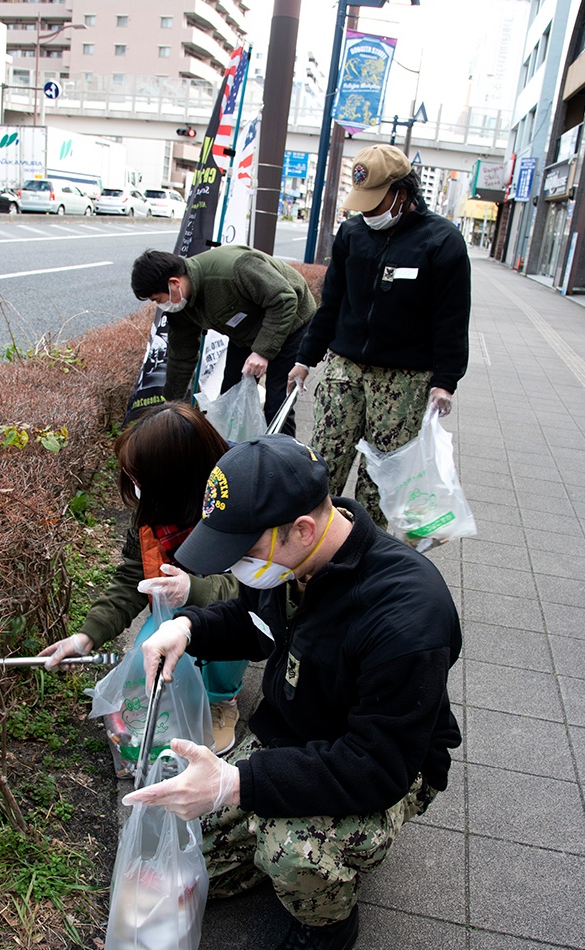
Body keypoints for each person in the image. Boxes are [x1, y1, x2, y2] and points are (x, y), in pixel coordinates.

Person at [124, 435, 462, 950]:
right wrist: (189, 629)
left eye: (243, 548)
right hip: (294, 736)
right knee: (188, 848)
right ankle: (271, 839)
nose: (236, 567)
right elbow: (255, 620)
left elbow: (376, 768)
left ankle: (326, 924)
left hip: (381, 766)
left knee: (288, 850)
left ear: (302, 528)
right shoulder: (293, 562)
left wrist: (236, 785)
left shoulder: (407, 615)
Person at [39, 402, 246, 756]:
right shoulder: (153, 509)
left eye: (140, 479)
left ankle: (221, 699)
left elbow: (257, 591)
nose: (135, 487)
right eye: (133, 477)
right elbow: (133, 576)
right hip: (177, 608)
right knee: (149, 652)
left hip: (237, 611)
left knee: (229, 636)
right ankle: (183, 693)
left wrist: (193, 589)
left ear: (176, 478)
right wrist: (88, 635)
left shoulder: (240, 505)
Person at [288, 144, 471, 529]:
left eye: (374, 203)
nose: (367, 213)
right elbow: (332, 302)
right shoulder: (353, 233)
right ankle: (313, 544)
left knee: (381, 475)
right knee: (324, 460)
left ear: (402, 194)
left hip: (403, 381)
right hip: (344, 368)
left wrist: (444, 382)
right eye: (362, 204)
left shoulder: (441, 241)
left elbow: (452, 318)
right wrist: (305, 359)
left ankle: (364, 557)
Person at [131, 245, 316, 434]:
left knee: (276, 404)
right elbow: (181, 356)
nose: (160, 305)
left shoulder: (235, 269)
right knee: (230, 396)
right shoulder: (180, 306)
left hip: (292, 322)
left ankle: (285, 457)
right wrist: (170, 404)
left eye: (157, 299)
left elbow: (284, 299)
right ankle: (236, 451)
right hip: (246, 333)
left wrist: (262, 351)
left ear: (174, 283)